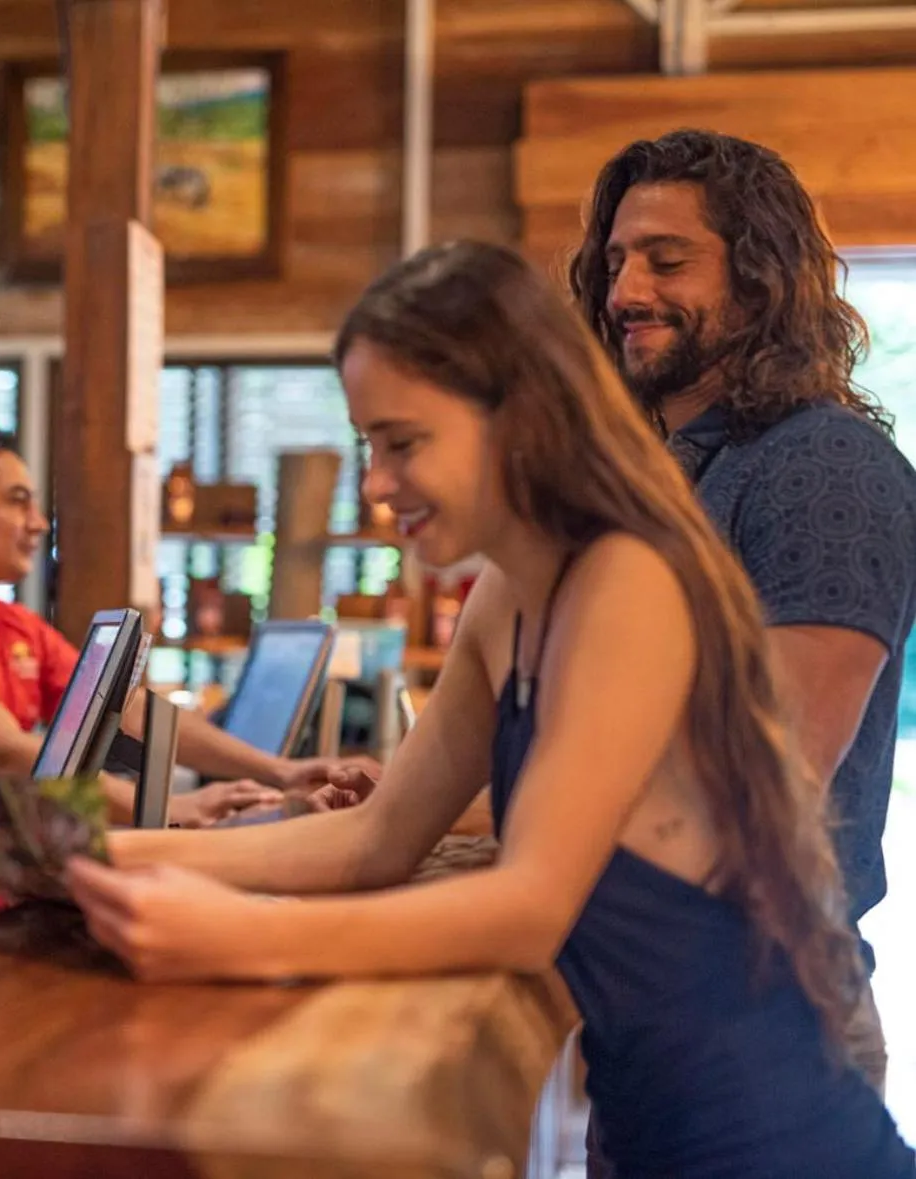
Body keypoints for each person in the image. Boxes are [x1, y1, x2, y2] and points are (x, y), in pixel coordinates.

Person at [63, 242, 915, 1179]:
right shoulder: (509, 592)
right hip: (653, 1131)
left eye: (403, 442)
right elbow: (375, 838)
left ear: (517, 416)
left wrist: (238, 934)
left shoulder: (627, 580)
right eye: (368, 447)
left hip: (769, 1142)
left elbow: (530, 908)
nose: (377, 485)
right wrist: (94, 857)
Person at [567, 129, 916, 1111]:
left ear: (761, 281)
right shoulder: (673, 475)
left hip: (767, 1018)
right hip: (662, 999)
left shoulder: (823, 471)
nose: (625, 292)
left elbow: (770, 781)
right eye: (613, 264)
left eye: (666, 261)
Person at [0, 424, 376, 941]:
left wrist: (280, 772)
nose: (38, 524)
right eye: (18, 503)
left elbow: (131, 709)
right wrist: (163, 810)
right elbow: (7, 755)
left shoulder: (13, 625)